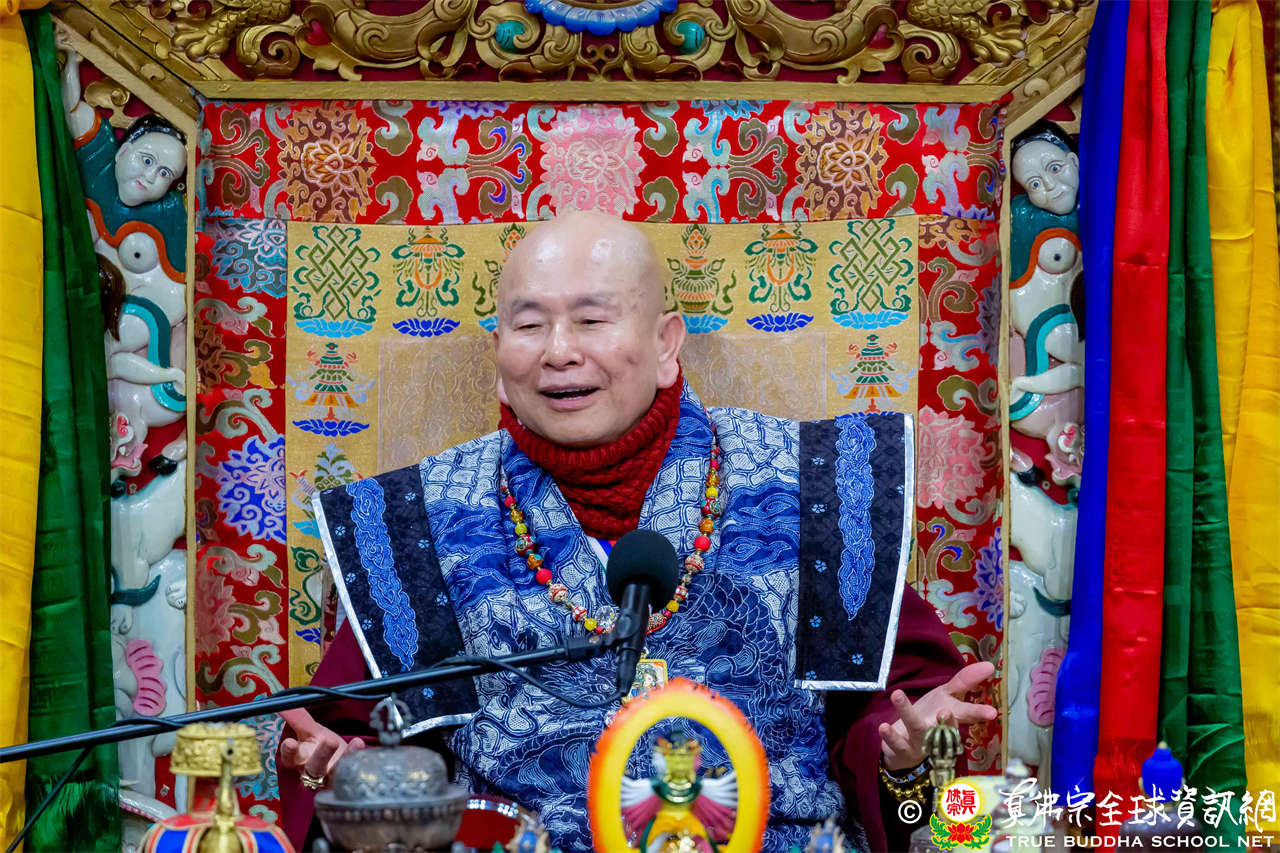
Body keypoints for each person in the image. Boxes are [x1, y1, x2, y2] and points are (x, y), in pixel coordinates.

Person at [279, 211, 997, 852]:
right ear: (498, 358)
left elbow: (889, 713)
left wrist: (902, 752)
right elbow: (352, 735)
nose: (559, 351)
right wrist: (350, 779)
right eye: (529, 325)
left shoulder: (814, 484)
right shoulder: (415, 522)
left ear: (664, 343)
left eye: (591, 320)